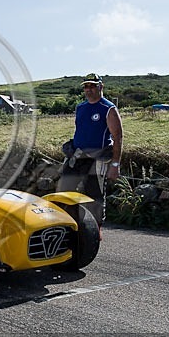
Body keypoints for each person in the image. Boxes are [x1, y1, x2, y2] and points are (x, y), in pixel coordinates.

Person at [57, 73, 123, 226]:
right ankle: (70, 226)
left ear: (101, 86)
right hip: (77, 156)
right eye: (86, 86)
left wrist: (115, 165)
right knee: (64, 193)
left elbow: (118, 138)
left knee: (95, 198)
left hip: (97, 159)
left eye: (93, 85)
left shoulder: (108, 109)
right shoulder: (80, 107)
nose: (89, 89)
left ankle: (94, 234)